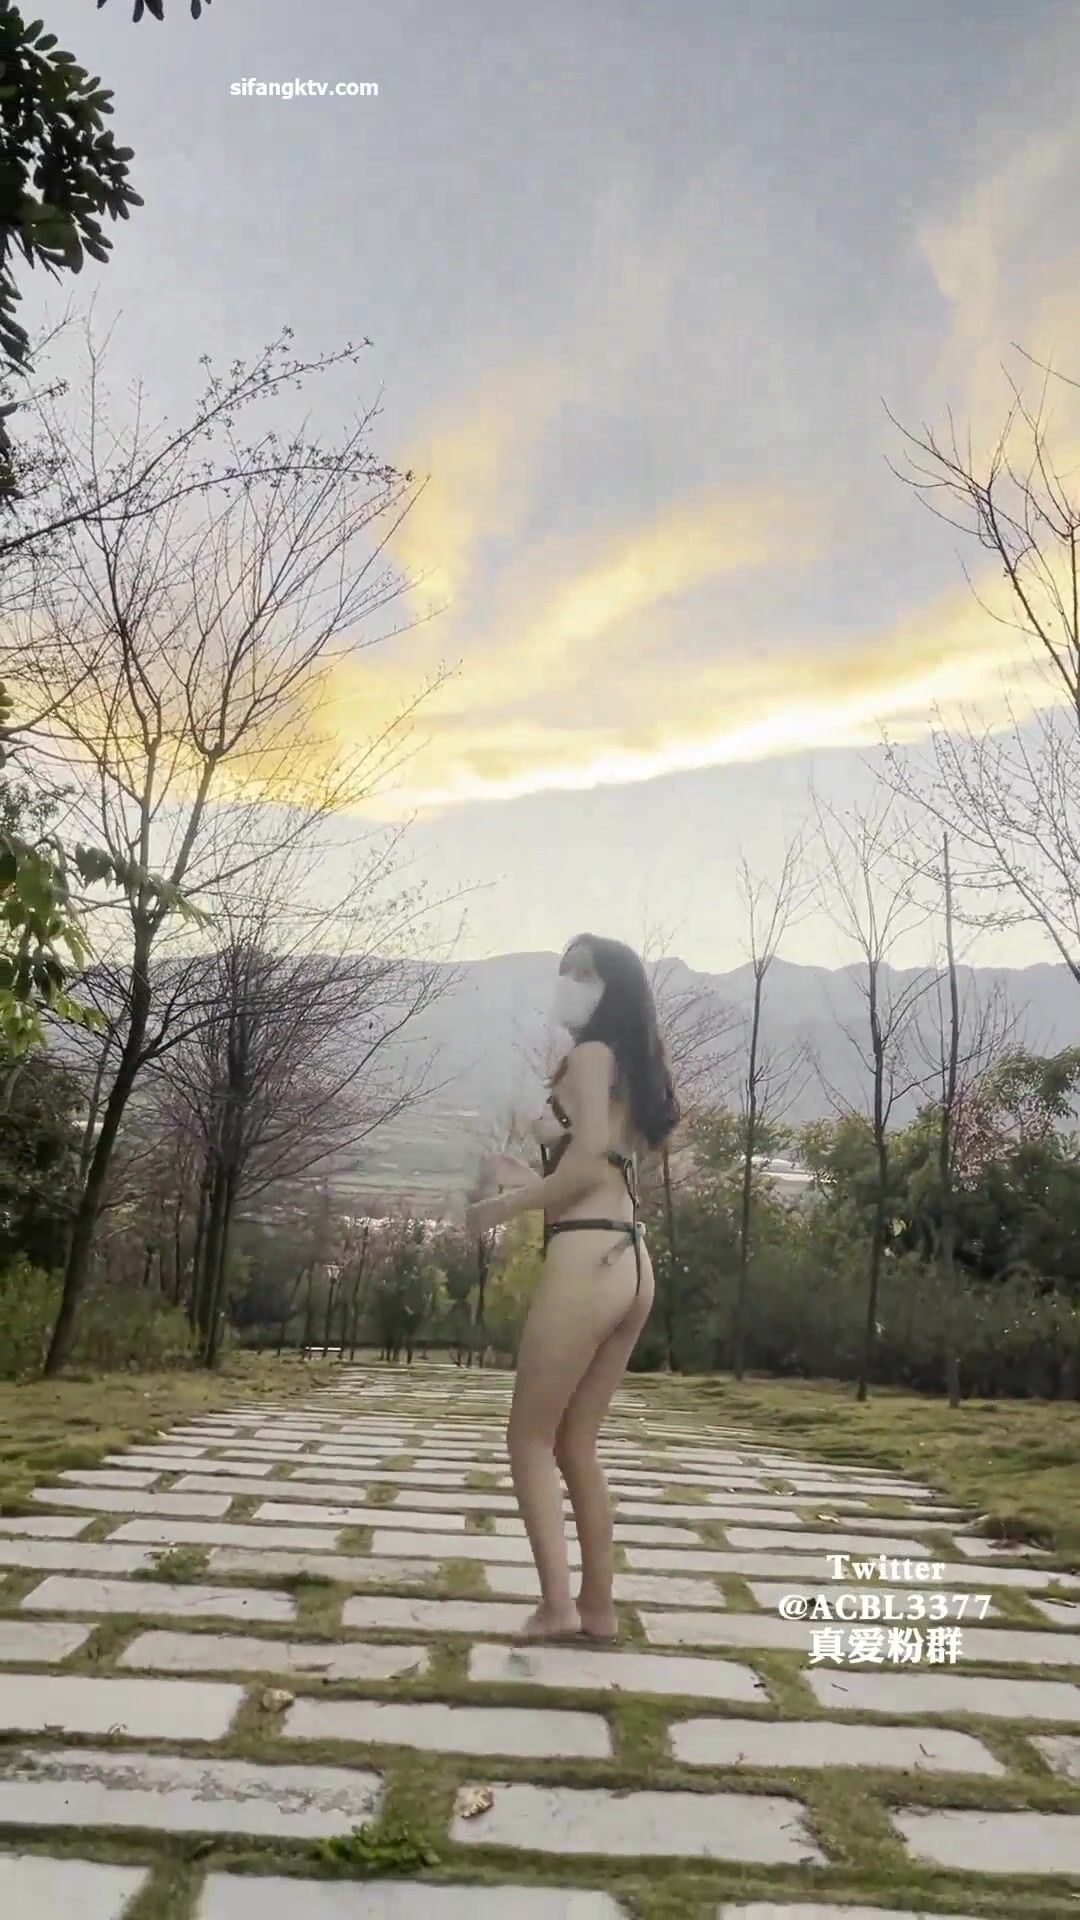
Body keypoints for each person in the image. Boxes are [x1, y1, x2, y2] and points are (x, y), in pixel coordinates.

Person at [465, 934, 680, 1644]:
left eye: (580, 973)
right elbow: (603, 1167)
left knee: (528, 1437)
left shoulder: (591, 1056)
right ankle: (596, 1608)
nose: (565, 984)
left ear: (610, 986)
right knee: (576, 1443)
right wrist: (529, 1180)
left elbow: (585, 1164)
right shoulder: (636, 1070)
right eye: (563, 971)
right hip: (631, 1260)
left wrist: (504, 1207)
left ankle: (556, 1608)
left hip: (585, 1256)